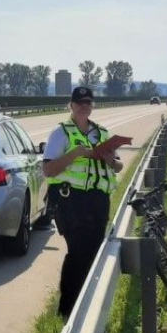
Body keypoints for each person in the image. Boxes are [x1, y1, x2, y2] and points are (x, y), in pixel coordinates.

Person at [42, 86, 123, 318]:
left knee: (93, 251)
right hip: (69, 200)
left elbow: (118, 166)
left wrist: (110, 160)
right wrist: (74, 154)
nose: (84, 106)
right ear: (71, 105)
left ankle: (85, 304)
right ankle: (67, 309)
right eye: (79, 102)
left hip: (97, 201)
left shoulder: (103, 133)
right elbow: (48, 170)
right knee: (77, 251)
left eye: (88, 102)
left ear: (92, 105)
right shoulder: (61, 133)